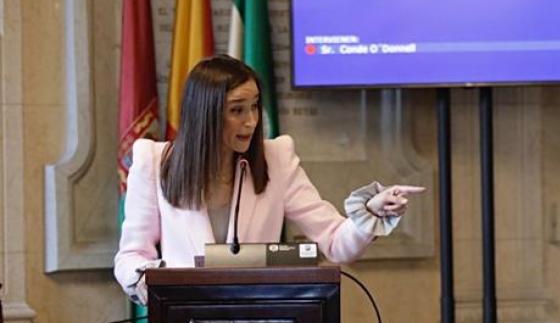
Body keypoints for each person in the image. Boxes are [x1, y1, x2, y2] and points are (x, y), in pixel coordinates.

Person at [115, 55, 422, 304]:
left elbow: (337, 242)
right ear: (205, 114)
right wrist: (153, 281)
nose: (251, 121)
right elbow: (131, 256)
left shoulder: (276, 158)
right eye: (237, 110)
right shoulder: (154, 162)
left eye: (254, 107)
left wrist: (371, 211)